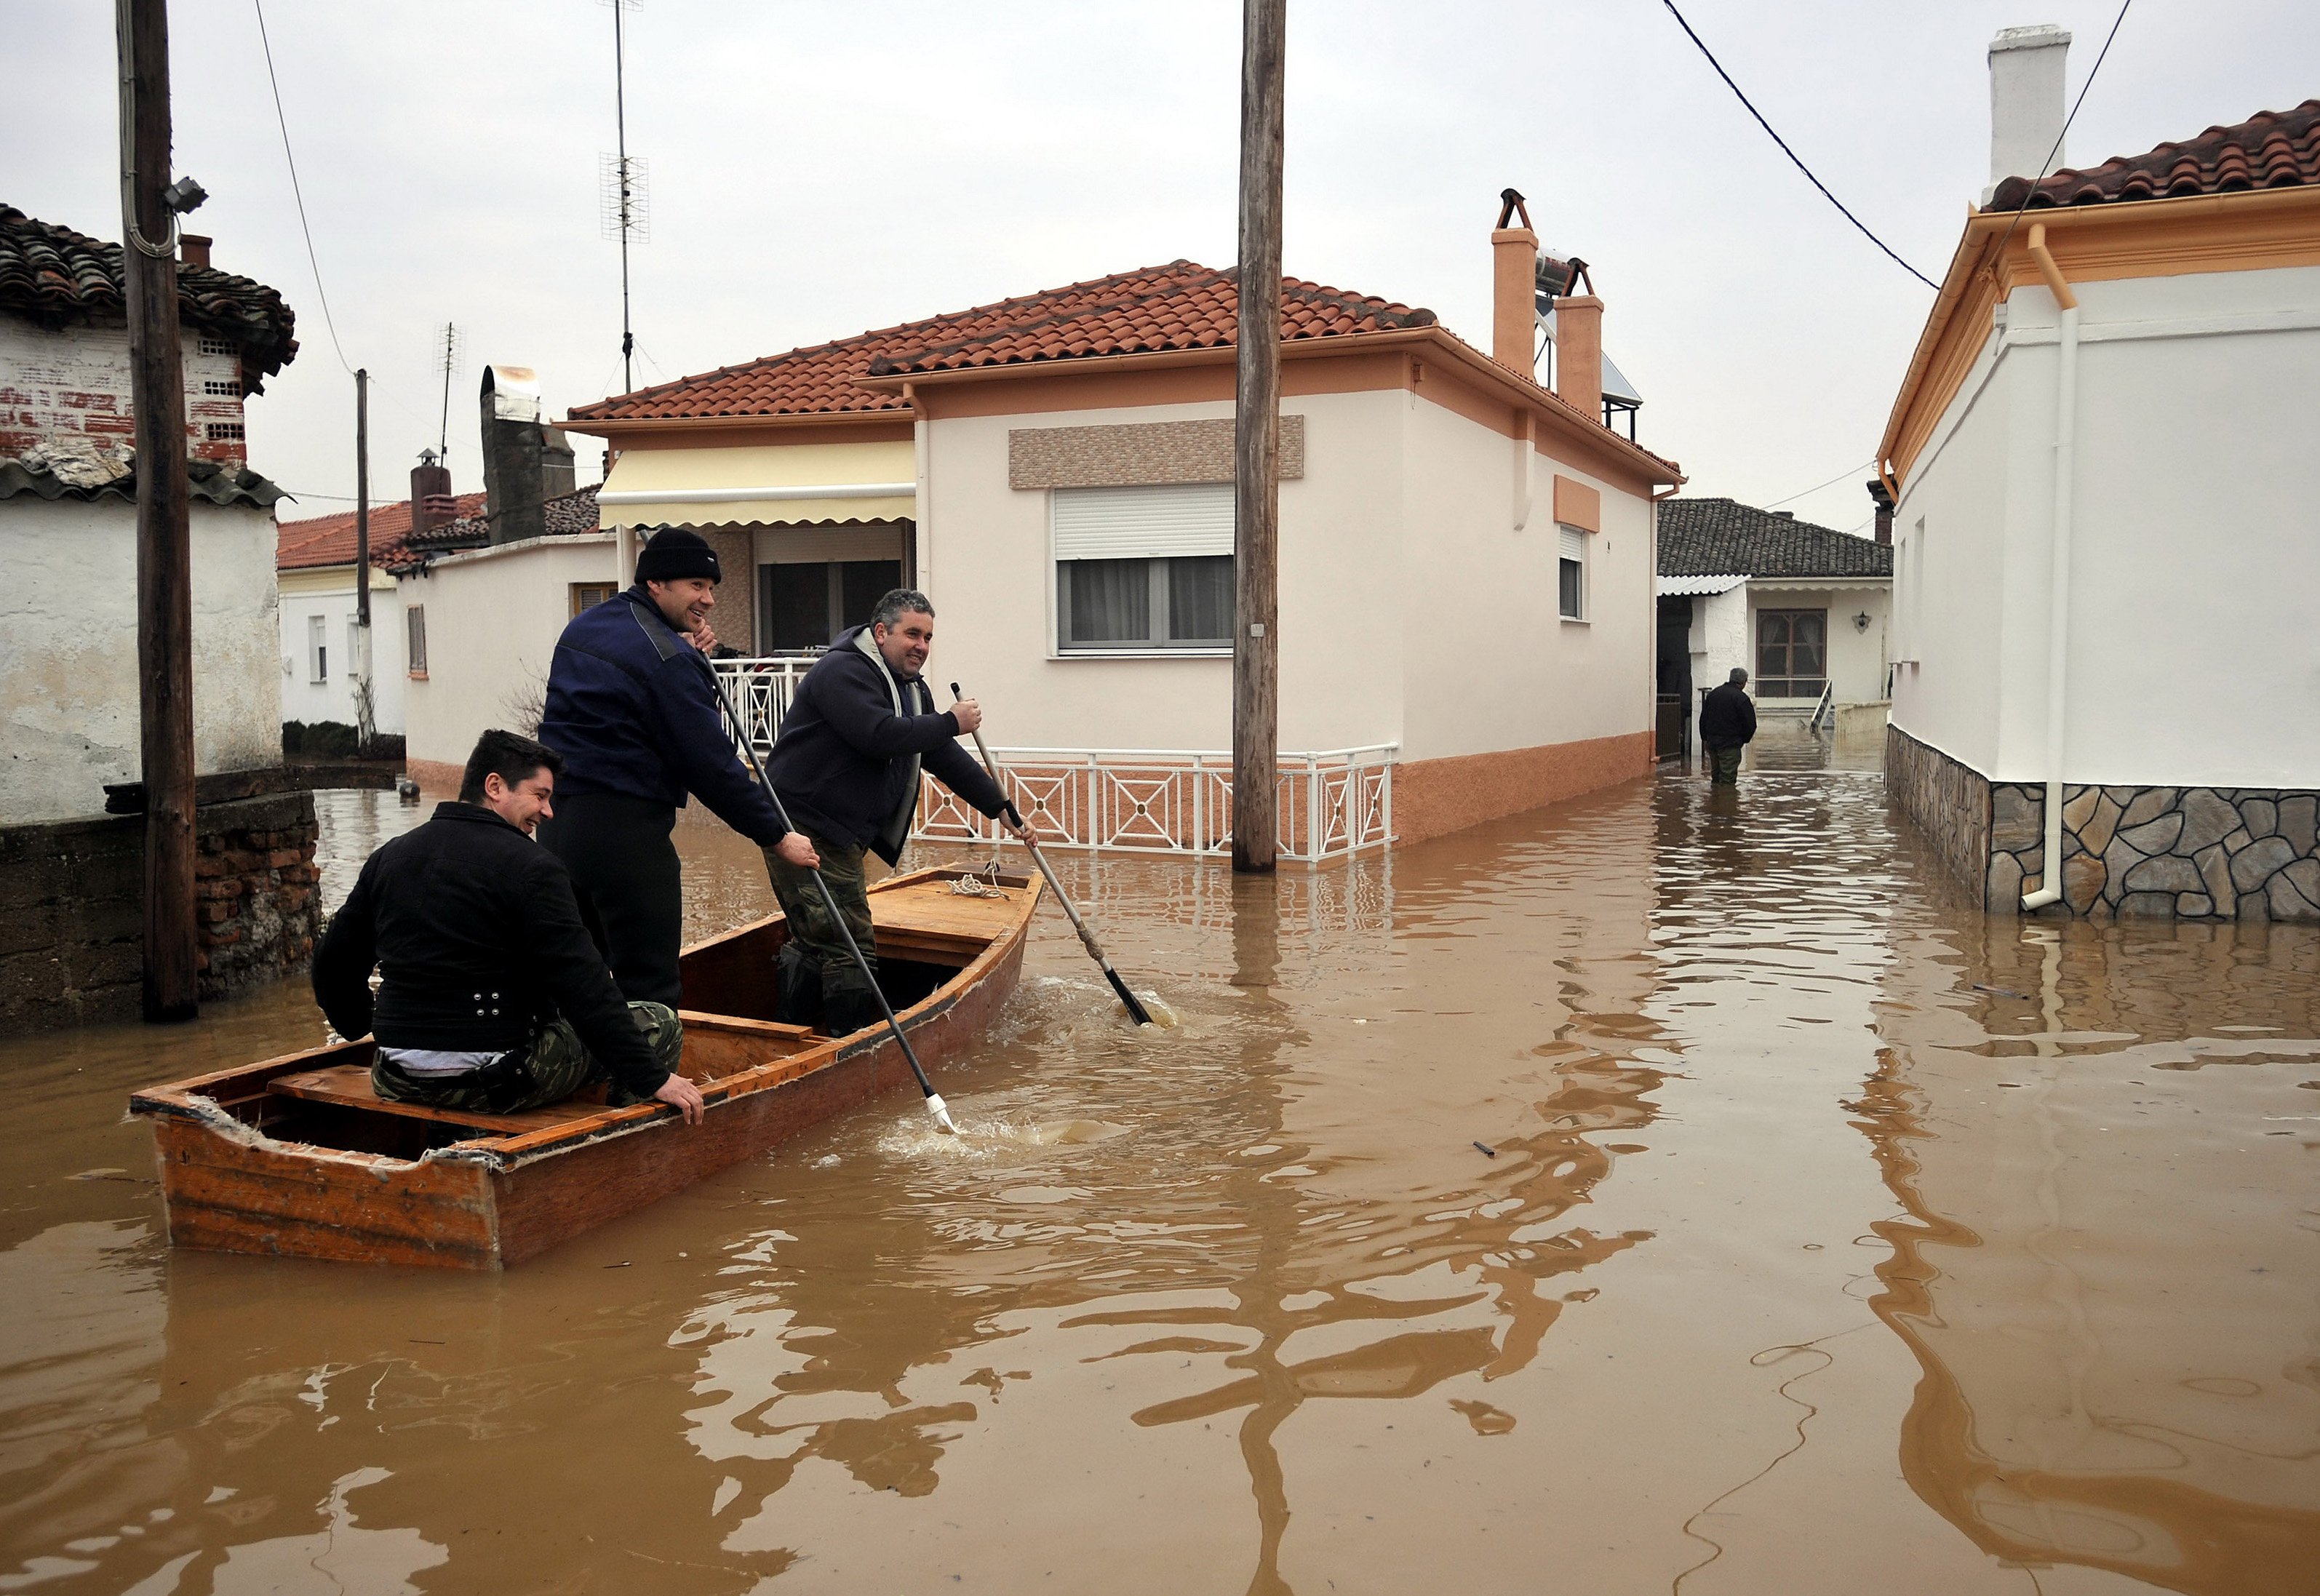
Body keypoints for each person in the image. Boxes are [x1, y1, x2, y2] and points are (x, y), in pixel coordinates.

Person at [312, 729, 706, 1123]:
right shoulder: (534, 867)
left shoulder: (390, 857)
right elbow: (586, 987)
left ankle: (449, 1133)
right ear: (495, 786)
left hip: (395, 1075)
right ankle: (617, 1144)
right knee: (661, 1022)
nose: (548, 812)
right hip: (493, 1081)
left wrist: (357, 1025)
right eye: (540, 795)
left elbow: (332, 964)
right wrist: (652, 1077)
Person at [536, 527, 818, 1007]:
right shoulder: (668, 657)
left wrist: (688, 656)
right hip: (626, 836)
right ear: (656, 585)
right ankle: (648, 1083)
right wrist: (775, 834)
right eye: (696, 586)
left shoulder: (585, 627)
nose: (708, 600)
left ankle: (565, 1073)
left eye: (710, 588)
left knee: (575, 969)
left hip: (557, 825)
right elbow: (708, 764)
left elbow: (638, 707)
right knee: (648, 980)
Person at [764, 588, 1036, 1034]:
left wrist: (1000, 807)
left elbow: (939, 753)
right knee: (849, 946)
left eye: (928, 638)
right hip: (804, 827)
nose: (922, 647)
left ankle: (799, 1032)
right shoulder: (842, 671)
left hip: (842, 833)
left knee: (821, 939)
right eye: (912, 634)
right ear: (880, 632)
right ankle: (846, 1047)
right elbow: (878, 735)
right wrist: (951, 720)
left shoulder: (910, 689)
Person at [1699, 666, 1758, 786]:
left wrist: (1705, 738)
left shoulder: (1713, 694)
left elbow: (1703, 719)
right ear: (1742, 682)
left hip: (1713, 743)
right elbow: (1751, 724)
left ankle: (1714, 802)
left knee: (1715, 777)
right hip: (1730, 745)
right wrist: (1743, 740)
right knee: (1728, 781)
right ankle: (1727, 804)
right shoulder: (1741, 698)